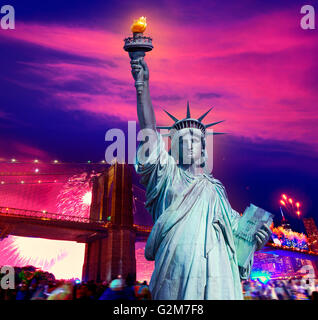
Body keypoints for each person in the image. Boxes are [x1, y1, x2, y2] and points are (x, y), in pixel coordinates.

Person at [130, 56, 272, 300]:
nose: (191, 145)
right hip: (175, 268)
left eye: (196, 141)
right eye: (184, 142)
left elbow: (234, 229)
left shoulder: (216, 189)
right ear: (174, 149)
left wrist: (255, 238)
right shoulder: (166, 176)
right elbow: (150, 132)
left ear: (204, 150)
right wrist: (142, 86)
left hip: (218, 272)